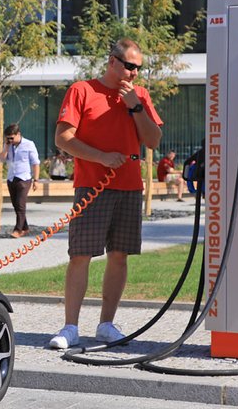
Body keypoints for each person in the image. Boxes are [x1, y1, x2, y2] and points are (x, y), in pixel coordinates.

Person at [49, 39, 163, 348]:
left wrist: (135, 107)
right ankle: (69, 327)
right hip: (92, 187)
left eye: (138, 68)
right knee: (80, 255)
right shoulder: (82, 91)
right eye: (129, 65)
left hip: (129, 187)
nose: (134, 73)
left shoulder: (140, 96)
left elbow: (153, 140)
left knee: (119, 256)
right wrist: (100, 157)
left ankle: (106, 324)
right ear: (112, 61)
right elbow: (63, 138)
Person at [0, 123, 40, 238]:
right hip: (11, 178)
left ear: (18, 134)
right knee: (16, 205)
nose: (10, 140)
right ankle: (25, 228)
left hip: (24, 178)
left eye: (12, 138)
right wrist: (6, 147)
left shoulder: (29, 144)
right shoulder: (7, 145)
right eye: (8, 138)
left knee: (21, 205)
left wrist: (36, 180)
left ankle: (18, 229)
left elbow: (35, 163)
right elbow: (1, 159)